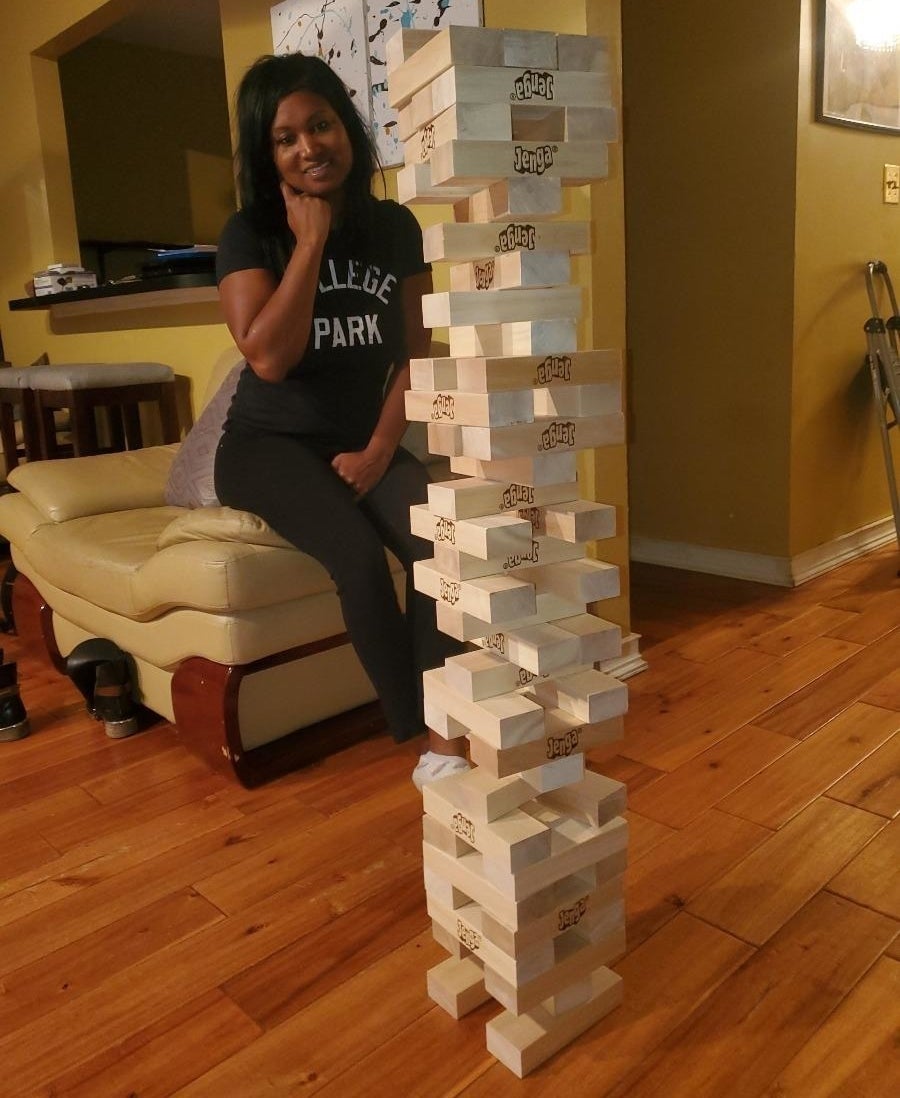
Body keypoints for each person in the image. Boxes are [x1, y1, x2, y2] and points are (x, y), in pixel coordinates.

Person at [214, 52, 469, 790]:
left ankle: (446, 734)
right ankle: (422, 735)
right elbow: (268, 359)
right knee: (358, 560)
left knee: (441, 545)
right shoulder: (250, 232)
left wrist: (381, 449)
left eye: (320, 125)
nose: (308, 147)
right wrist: (311, 243)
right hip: (267, 445)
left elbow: (415, 356)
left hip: (365, 437)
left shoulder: (393, 227)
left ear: (346, 126)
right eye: (285, 138)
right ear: (269, 156)